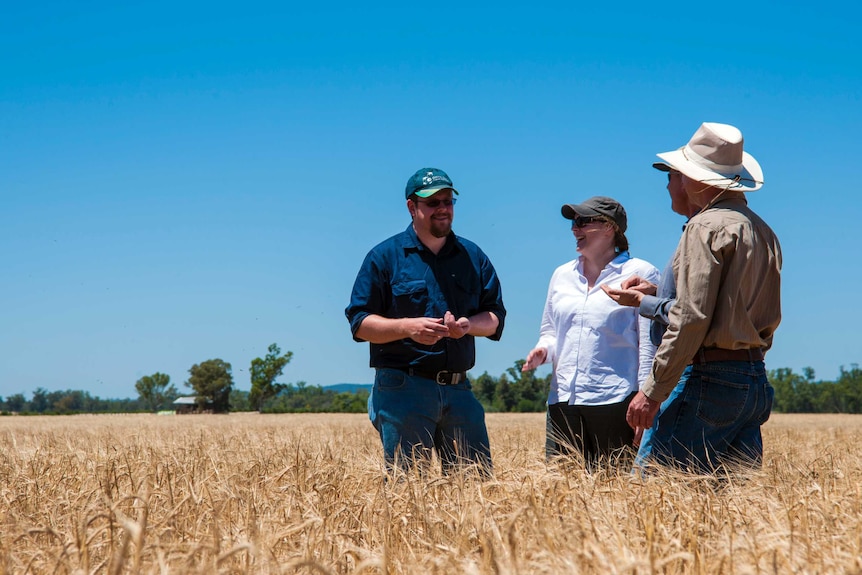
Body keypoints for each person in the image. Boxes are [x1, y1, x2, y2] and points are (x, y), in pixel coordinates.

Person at [624, 122, 782, 474]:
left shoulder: (704, 227)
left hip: (707, 377)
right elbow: (757, 313)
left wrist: (652, 391)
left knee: (656, 502)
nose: (669, 184)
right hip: (753, 377)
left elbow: (692, 318)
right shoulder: (762, 230)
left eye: (675, 174)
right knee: (730, 508)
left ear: (695, 180)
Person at [345, 167, 506, 475]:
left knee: (474, 489)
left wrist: (467, 326)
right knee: (409, 492)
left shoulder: (473, 257)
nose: (443, 209)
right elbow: (360, 322)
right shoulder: (384, 257)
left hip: (459, 389)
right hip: (404, 389)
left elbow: (494, 317)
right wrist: (408, 328)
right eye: (433, 203)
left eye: (448, 201)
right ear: (412, 207)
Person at [522, 196, 659, 469]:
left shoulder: (642, 273)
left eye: (583, 222)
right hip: (563, 400)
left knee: (616, 495)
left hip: (617, 401)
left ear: (610, 228)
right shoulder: (561, 275)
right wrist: (543, 351)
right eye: (574, 222)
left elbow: (648, 345)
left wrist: (645, 398)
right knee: (562, 495)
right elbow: (551, 331)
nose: (575, 229)